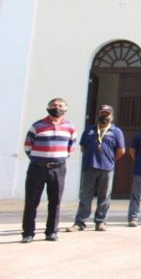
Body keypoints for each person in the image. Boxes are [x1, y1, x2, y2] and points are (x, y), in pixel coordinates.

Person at [21, 98, 78, 243]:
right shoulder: (37, 125)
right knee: (32, 202)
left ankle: (51, 232)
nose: (56, 107)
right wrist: (40, 159)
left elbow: (71, 147)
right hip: (37, 168)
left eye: (60, 105)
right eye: (53, 105)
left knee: (55, 201)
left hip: (58, 169)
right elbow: (28, 146)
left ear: (65, 109)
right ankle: (28, 233)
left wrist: (57, 159)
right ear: (47, 108)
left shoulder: (70, 127)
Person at [67, 105, 125, 233]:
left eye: (107, 114)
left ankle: (100, 221)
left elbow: (121, 151)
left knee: (104, 196)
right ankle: (80, 222)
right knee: (85, 195)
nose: (104, 116)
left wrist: (109, 159)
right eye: (102, 113)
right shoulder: (89, 130)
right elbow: (83, 147)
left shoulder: (116, 131)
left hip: (107, 168)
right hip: (89, 166)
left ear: (112, 117)